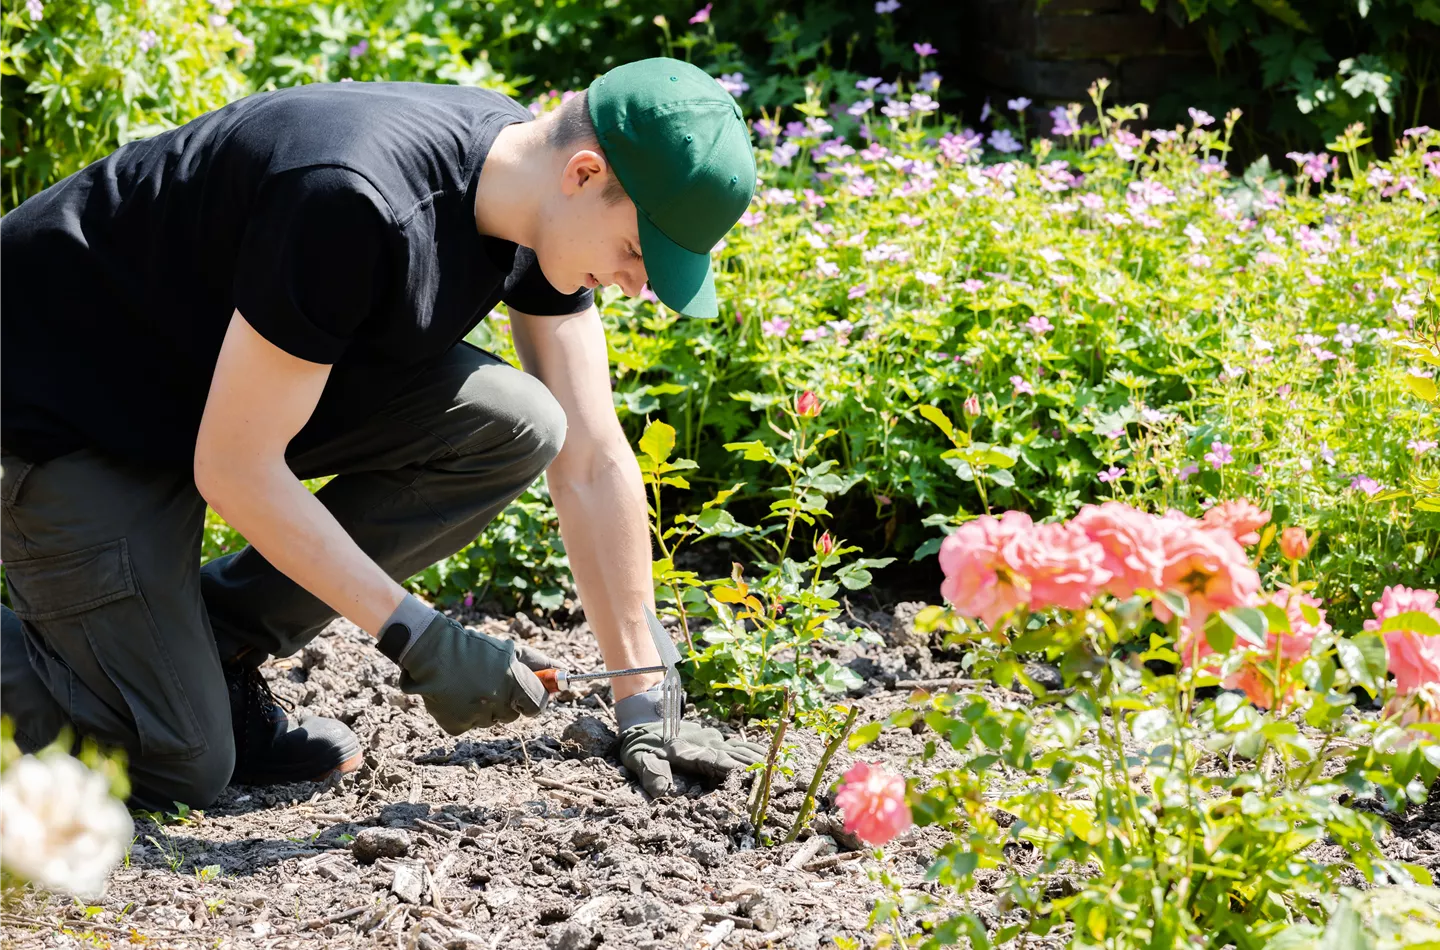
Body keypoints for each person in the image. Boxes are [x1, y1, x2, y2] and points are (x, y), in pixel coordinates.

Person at [0, 57, 766, 810]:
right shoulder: (352, 199)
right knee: (180, 764)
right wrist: (418, 636)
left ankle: (209, 650)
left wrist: (642, 690)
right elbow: (234, 466)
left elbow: (593, 458)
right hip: (59, 411)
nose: (637, 285)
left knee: (518, 422)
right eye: (636, 252)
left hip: (197, 390)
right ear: (584, 173)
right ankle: (153, 697)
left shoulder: (532, 204)